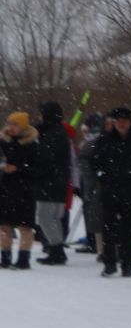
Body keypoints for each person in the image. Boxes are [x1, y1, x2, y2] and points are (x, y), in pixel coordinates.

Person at [91, 108, 131, 279]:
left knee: (130, 230)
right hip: (110, 191)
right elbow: (95, 162)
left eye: (125, 120)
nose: (122, 123)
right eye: (119, 120)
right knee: (109, 228)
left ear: (130, 121)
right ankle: (109, 263)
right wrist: (103, 178)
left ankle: (128, 263)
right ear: (114, 122)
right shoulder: (104, 139)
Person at [33, 101, 72, 265]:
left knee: (45, 217)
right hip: (58, 181)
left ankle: (56, 249)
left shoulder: (52, 133)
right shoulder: (59, 132)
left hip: (49, 181)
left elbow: (46, 157)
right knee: (54, 217)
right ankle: (57, 247)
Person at [0, 111, 40, 268]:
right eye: (10, 123)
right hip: (5, 189)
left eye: (15, 124)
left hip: (25, 190)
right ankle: (5, 257)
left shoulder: (33, 144)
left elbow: (37, 168)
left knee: (25, 227)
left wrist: (18, 168)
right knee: (4, 226)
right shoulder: (4, 142)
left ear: (23, 125)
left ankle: (23, 259)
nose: (12, 127)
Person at [76, 112, 105, 253]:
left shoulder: (93, 143)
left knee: (95, 213)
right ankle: (92, 241)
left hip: (93, 184)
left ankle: (95, 243)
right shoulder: (88, 143)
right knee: (91, 211)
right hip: (89, 183)